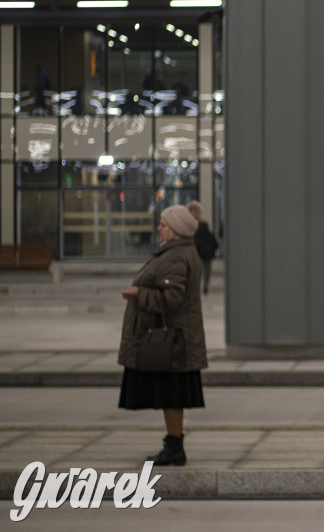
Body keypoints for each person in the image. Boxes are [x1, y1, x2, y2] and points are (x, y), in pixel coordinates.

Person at [118, 205, 208, 466]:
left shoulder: (175, 257)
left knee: (171, 394)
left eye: (164, 225)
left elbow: (172, 297)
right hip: (177, 339)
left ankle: (174, 448)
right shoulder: (178, 252)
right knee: (172, 395)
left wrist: (138, 294)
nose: (159, 228)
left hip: (170, 341)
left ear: (177, 229)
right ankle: (173, 445)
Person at [187, 200, 219, 294]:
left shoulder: (197, 235)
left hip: (199, 256)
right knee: (207, 272)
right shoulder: (210, 234)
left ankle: (198, 285)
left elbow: (195, 244)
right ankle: (206, 284)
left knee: (198, 272)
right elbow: (215, 244)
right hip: (208, 256)